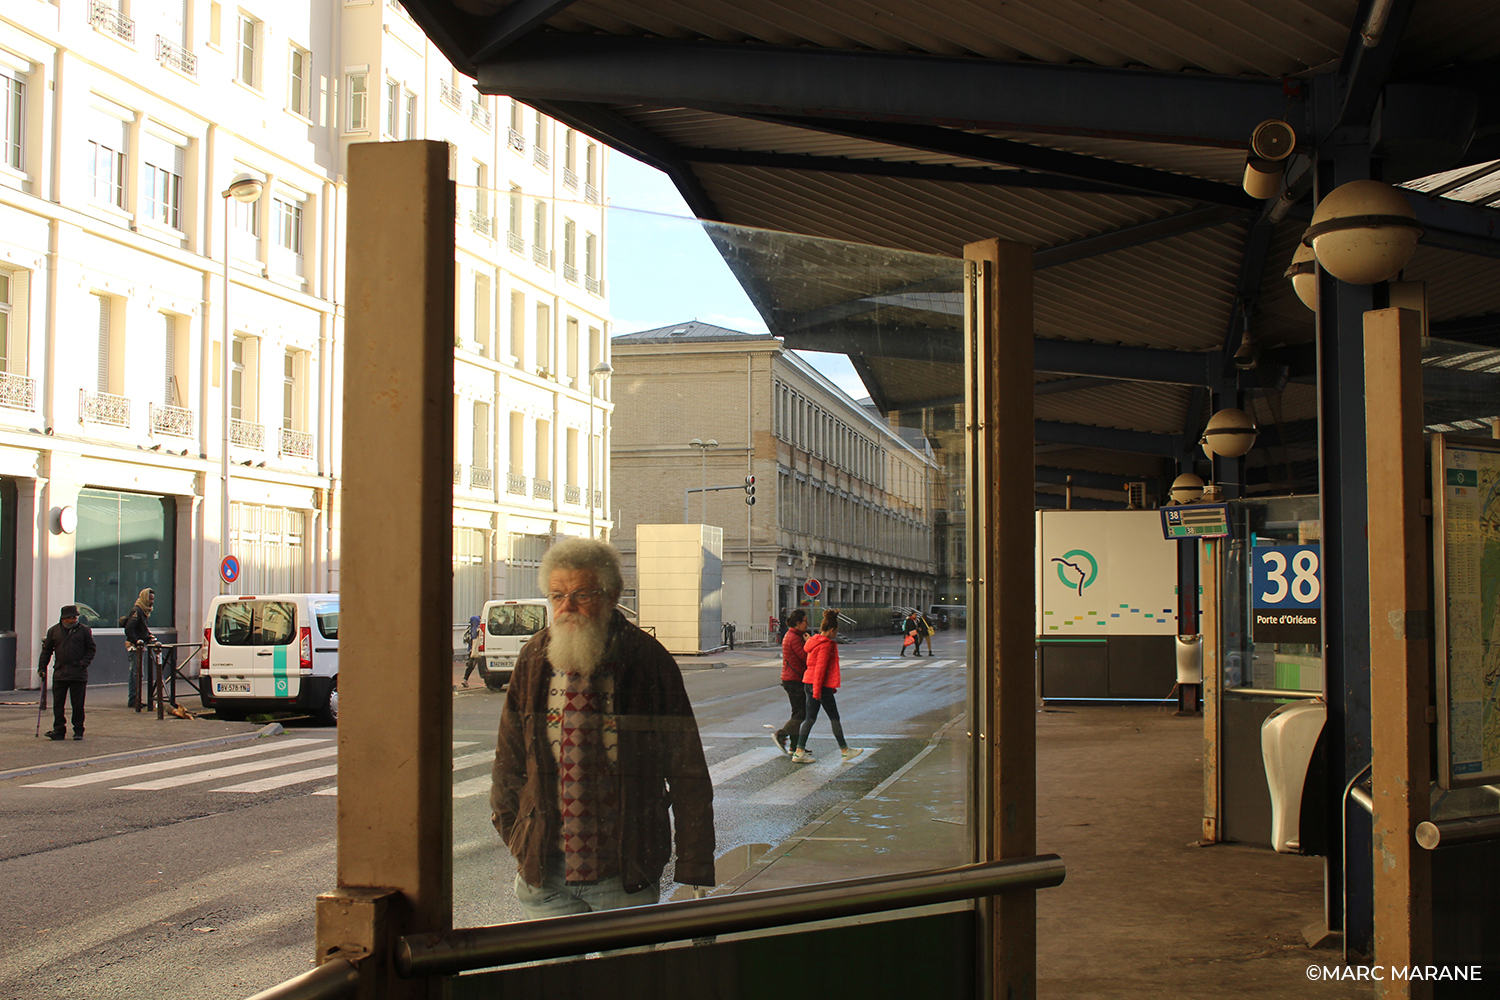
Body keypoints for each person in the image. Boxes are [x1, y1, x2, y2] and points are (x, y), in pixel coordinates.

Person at [490, 537, 715, 918]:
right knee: (556, 978)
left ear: (611, 595)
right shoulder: (533, 658)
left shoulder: (648, 661)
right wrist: (519, 839)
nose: (567, 607)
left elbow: (687, 769)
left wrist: (694, 862)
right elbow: (508, 763)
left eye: (581, 594)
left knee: (626, 979)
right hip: (545, 876)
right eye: (557, 595)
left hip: (625, 873)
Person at [791, 609, 861, 764]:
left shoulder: (814, 641)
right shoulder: (826, 645)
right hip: (819, 686)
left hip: (809, 683)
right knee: (834, 718)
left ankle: (799, 751)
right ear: (831, 630)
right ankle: (845, 750)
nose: (836, 634)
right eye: (836, 631)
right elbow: (821, 669)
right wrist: (818, 691)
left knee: (810, 718)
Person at [39, 605, 97, 741]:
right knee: (58, 704)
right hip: (60, 672)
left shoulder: (84, 630)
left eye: (76, 617)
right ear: (64, 618)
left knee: (78, 704)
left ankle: (78, 730)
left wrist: (83, 662)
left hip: (78, 673)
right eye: (71, 617)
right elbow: (47, 651)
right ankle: (59, 730)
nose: (74, 619)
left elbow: (91, 649)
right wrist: (42, 668)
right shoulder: (53, 631)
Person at [771, 608, 810, 755]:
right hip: (794, 679)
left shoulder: (793, 635)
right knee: (802, 712)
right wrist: (809, 643)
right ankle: (781, 734)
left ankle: (796, 745)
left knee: (797, 712)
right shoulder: (794, 637)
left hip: (792, 678)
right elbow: (805, 657)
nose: (807, 624)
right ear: (798, 622)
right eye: (805, 621)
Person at [122, 588, 156, 709]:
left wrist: (149, 637)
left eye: (153, 599)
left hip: (139, 646)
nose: (152, 602)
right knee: (136, 673)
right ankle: (134, 699)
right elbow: (129, 628)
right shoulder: (137, 611)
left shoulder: (143, 611)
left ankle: (135, 698)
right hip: (135, 647)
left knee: (137, 673)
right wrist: (137, 641)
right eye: (150, 599)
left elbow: (142, 629)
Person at [461, 614, 483, 687]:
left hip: (472, 650)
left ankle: (465, 679)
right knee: (477, 664)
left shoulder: (470, 629)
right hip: (477, 649)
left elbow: (466, 639)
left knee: (471, 665)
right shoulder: (478, 629)